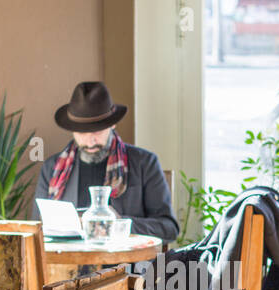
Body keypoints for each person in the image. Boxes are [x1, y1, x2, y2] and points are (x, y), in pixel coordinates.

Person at [33, 81, 179, 244]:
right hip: (68, 265)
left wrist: (119, 224)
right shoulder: (52, 168)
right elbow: (36, 228)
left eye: (97, 130)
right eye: (82, 132)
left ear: (112, 124)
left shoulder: (145, 163)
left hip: (127, 265)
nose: (90, 140)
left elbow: (169, 228)